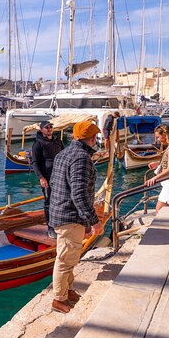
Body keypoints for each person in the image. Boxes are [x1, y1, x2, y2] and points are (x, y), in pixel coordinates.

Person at [48, 121, 105, 314]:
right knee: (65, 260)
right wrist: (94, 221)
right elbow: (78, 194)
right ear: (91, 138)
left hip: (60, 213)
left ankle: (68, 290)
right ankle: (58, 299)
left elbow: (55, 184)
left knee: (70, 258)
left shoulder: (63, 154)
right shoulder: (81, 158)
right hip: (70, 217)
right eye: (95, 137)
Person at [30, 120, 64, 239]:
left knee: (61, 200)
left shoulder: (57, 140)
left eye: (50, 127)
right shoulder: (38, 144)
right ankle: (51, 228)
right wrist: (41, 178)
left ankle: (60, 223)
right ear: (41, 130)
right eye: (47, 127)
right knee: (48, 202)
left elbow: (65, 155)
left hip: (60, 176)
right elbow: (34, 162)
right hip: (47, 178)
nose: (49, 129)